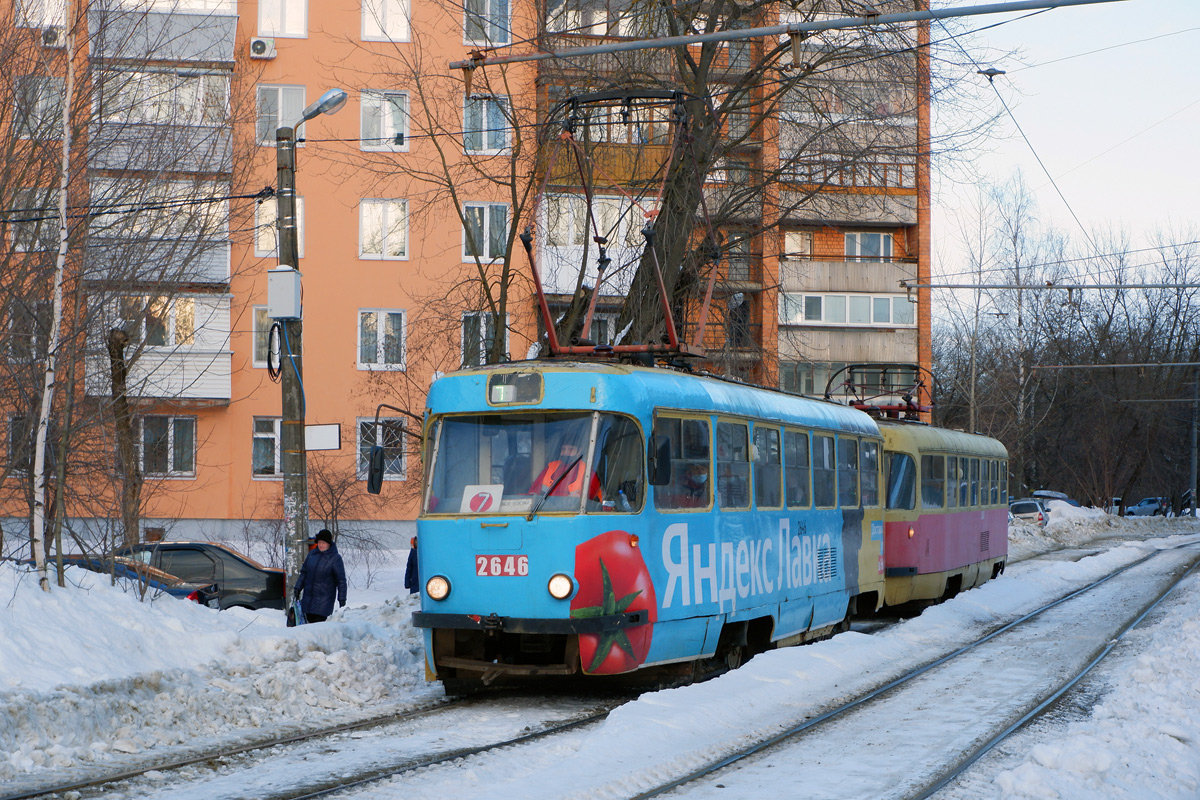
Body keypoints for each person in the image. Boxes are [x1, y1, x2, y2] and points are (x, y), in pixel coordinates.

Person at [294, 529, 346, 623]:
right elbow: (304, 573)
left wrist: (342, 599)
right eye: (319, 542)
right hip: (308, 600)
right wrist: (298, 588)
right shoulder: (312, 555)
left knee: (318, 629)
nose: (321, 545)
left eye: (324, 543)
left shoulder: (335, 558)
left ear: (329, 544)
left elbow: (341, 581)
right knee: (308, 628)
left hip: (324, 602)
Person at [529, 441, 602, 501]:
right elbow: (533, 493)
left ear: (579, 451)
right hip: (545, 512)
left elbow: (585, 499)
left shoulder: (588, 473)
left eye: (570, 449)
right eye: (563, 449)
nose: (566, 453)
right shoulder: (549, 468)